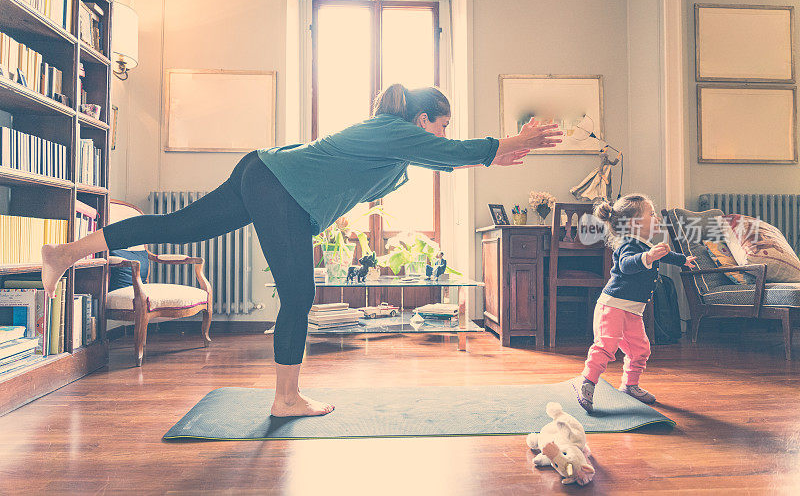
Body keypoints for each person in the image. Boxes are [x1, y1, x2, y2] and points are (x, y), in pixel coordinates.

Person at [41, 83, 563, 418]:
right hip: (277, 185)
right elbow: (449, 153)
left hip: (265, 173)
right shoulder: (394, 130)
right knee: (298, 294)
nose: (443, 133)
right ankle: (286, 398)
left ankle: (65, 254)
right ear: (423, 120)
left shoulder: (395, 142)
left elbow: (446, 159)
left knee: (182, 225)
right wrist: (509, 143)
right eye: (442, 123)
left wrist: (496, 155)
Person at [573, 193, 696, 413]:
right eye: (652, 213)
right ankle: (587, 382)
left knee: (640, 349)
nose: (656, 217)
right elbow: (626, 265)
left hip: (632, 311)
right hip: (612, 307)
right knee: (605, 347)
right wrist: (647, 257)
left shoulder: (645, 244)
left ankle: (630, 385)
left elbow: (665, 256)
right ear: (634, 223)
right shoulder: (628, 245)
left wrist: (682, 260)